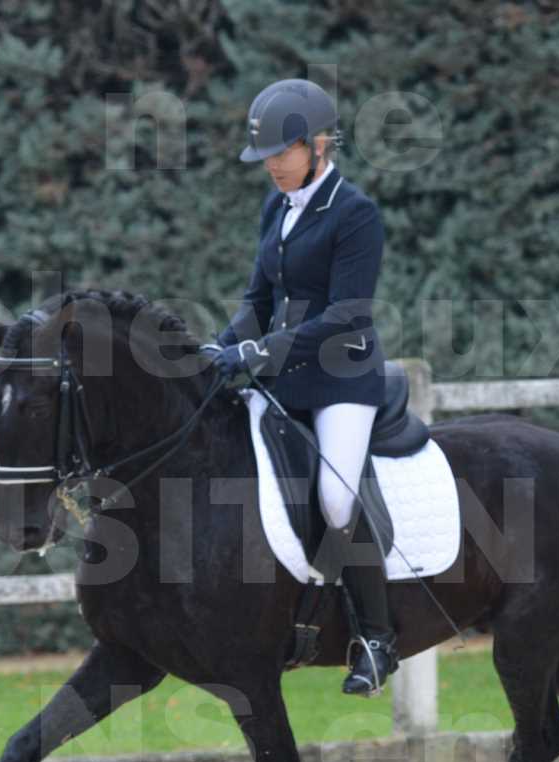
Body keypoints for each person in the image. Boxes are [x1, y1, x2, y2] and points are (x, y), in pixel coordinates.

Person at [202, 78, 398, 696]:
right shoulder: (276, 207)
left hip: (343, 376)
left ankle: (376, 638)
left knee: (338, 500)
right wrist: (219, 346)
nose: (272, 168)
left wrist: (254, 352)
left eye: (281, 155)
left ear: (318, 145)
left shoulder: (356, 213)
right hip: (287, 373)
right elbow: (259, 299)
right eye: (264, 159)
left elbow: (346, 314)